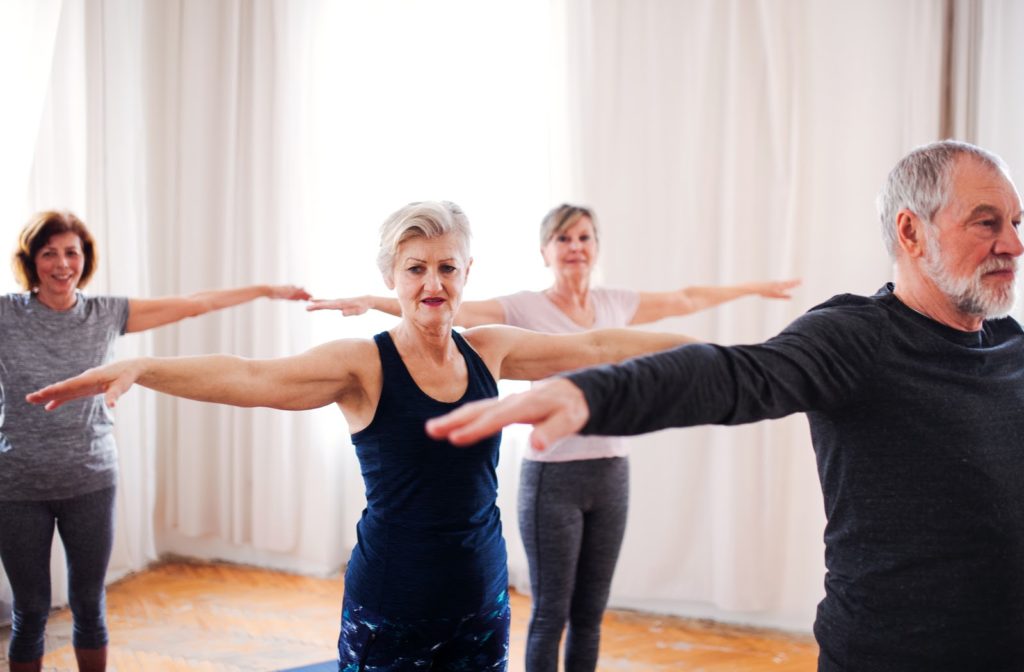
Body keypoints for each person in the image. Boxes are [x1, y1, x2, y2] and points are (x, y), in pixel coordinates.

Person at [426, 141, 1024, 672]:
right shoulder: (856, 337)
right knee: (559, 608)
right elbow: (736, 374)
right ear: (911, 232)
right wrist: (590, 391)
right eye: (986, 222)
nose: (1013, 244)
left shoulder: (1012, 344)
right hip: (894, 654)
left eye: (1017, 222)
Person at [26, 201, 694, 672]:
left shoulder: (489, 350)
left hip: (480, 589)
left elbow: (600, 343)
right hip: (392, 597)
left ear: (466, 273)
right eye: (415, 268)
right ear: (391, 277)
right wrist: (142, 366)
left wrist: (710, 352)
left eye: (447, 267)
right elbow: (249, 375)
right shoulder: (363, 364)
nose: (432, 283)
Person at [308, 203, 798, 672]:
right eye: (563, 237)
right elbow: (435, 301)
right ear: (545, 249)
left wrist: (730, 352)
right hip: (450, 556)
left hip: (543, 535)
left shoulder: (570, 318)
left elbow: (628, 330)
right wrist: (377, 299)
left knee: (588, 612)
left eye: (584, 237)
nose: (575, 247)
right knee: (551, 613)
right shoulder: (499, 317)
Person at [0, 210, 310, 672]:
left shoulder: (108, 313)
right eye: (50, 253)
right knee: (30, 612)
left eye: (72, 252)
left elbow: (194, 302)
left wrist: (264, 290)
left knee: (88, 604)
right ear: (32, 260)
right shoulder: (7, 314)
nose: (62, 264)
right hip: (19, 485)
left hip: (90, 479)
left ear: (85, 258)